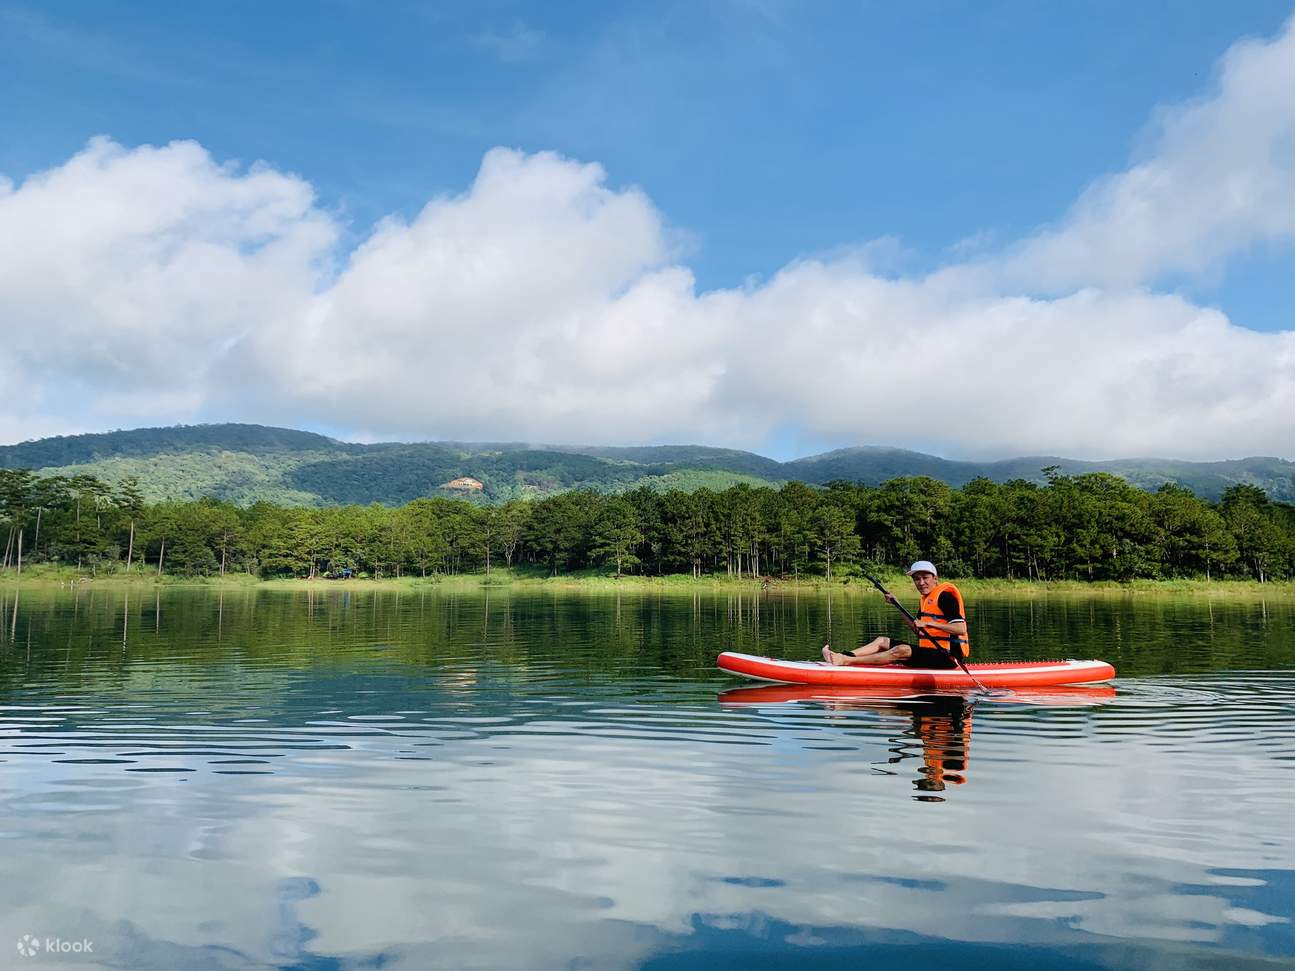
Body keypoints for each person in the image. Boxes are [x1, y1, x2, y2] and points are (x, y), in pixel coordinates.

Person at [821, 560, 969, 670]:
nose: (921, 582)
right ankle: (842, 655)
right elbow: (918, 630)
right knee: (882, 641)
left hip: (948, 657)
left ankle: (845, 661)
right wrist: (896, 604)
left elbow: (960, 628)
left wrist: (928, 623)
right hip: (931, 653)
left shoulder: (945, 597)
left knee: (901, 650)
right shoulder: (926, 600)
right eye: (917, 579)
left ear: (935, 578)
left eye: (925, 577)